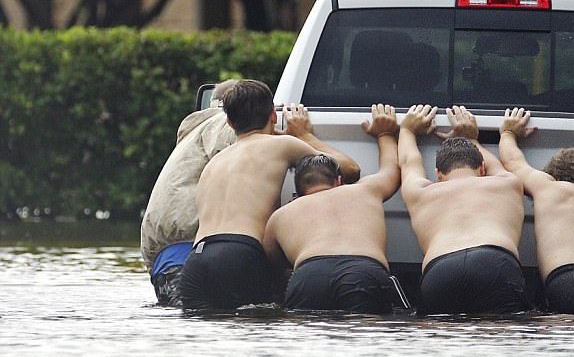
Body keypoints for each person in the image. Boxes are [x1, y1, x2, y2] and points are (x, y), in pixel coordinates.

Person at [179, 79, 360, 311]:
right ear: (273, 116)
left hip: (197, 259)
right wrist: (304, 135)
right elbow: (350, 170)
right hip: (241, 253)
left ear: (230, 122)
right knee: (261, 330)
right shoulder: (283, 145)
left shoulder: (216, 161)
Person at [262, 104, 402, 313]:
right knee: (369, 339)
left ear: (298, 191)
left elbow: (273, 263)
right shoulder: (366, 190)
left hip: (309, 277)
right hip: (362, 272)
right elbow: (392, 170)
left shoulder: (280, 216)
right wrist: (385, 133)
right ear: (338, 180)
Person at [399, 104, 528, 315]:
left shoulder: (420, 192)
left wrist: (406, 130)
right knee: (502, 338)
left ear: (438, 174)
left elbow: (408, 162)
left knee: (441, 341)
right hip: (494, 261)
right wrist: (471, 138)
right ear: (482, 169)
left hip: (441, 269)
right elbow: (497, 166)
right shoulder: (508, 183)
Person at [498, 107, 574, 315]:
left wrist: (508, 133)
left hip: (567, 278)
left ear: (553, 174)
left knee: (561, 340)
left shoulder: (549, 188)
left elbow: (513, 162)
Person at [140, 79, 239, 306]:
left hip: (164, 260)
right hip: (192, 252)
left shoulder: (194, 131)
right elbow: (236, 150)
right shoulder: (222, 124)